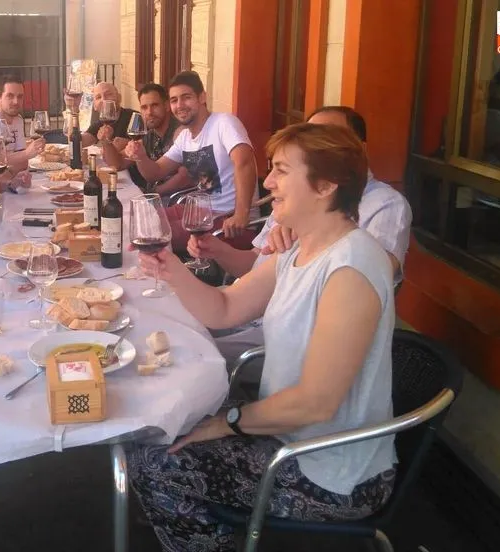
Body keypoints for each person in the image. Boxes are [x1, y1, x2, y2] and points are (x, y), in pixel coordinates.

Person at [130, 123, 397, 550]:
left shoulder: (351, 267)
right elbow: (226, 308)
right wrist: (170, 269)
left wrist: (228, 423)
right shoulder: (299, 246)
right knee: (155, 422)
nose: (267, 182)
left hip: (331, 470)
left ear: (325, 185)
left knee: (155, 462)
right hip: (287, 434)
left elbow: (315, 402)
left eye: (281, 170)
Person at [189, 106, 413, 362]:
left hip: (286, 334)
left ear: (358, 150)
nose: (268, 183)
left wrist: (304, 233)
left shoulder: (384, 206)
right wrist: (215, 250)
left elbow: (374, 276)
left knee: (187, 357)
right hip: (251, 309)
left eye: (326, 137)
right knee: (172, 329)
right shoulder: (295, 201)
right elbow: (250, 271)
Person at [125, 71, 259, 252]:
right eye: (174, 100)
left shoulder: (224, 123)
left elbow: (244, 162)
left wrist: (241, 214)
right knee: (138, 221)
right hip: (197, 212)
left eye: (186, 97)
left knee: (154, 236)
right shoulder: (185, 137)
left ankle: (155, 277)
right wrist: (140, 156)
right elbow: (155, 172)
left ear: (202, 97)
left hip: (228, 221)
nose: (179, 105)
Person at [99, 82, 191, 195]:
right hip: (155, 196)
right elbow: (118, 164)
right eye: (144, 107)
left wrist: (151, 193)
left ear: (167, 106)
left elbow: (185, 177)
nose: (149, 112)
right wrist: (106, 141)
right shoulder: (150, 135)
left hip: (174, 201)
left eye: (155, 105)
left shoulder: (180, 132)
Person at [0, 73, 45, 171]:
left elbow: (23, 164)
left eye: (20, 97)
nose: (16, 101)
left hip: (15, 179)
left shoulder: (18, 120)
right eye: (10, 96)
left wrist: (9, 158)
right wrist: (26, 154)